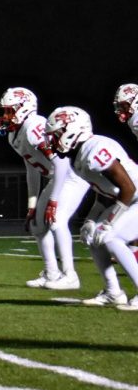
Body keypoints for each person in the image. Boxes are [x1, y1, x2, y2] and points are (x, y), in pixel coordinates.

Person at [45, 106, 138, 310]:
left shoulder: (94, 149)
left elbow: (128, 187)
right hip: (130, 200)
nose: (52, 141)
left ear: (73, 130)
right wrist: (91, 219)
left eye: (56, 134)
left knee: (111, 236)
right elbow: (103, 191)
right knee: (93, 237)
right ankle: (113, 291)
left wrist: (110, 221)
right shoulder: (78, 156)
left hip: (135, 197)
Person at [0, 87, 86, 289]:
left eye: (9, 110)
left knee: (56, 221)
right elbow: (32, 169)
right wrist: (32, 204)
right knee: (37, 224)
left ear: (24, 109)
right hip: (60, 177)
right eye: (5, 111)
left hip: (73, 174)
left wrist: (53, 201)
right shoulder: (14, 135)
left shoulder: (34, 127)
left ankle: (70, 275)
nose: (5, 116)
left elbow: (61, 163)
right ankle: (52, 273)